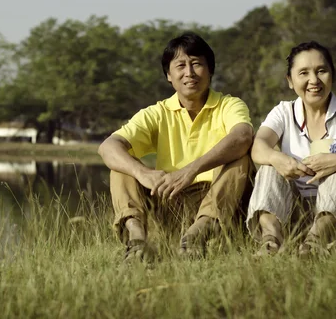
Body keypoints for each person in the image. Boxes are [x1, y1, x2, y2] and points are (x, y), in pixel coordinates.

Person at [98, 32, 255, 261]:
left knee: (241, 157)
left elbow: (243, 136)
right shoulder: (157, 113)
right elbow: (108, 146)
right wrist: (144, 174)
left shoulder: (229, 105)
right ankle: (137, 242)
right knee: (121, 164)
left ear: (210, 71)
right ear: (169, 76)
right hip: (171, 200)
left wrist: (190, 171)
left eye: (197, 64)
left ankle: (197, 235)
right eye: (180, 65)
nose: (189, 73)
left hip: (219, 203)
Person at [247, 41, 336, 257]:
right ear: (290, 81)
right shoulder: (283, 111)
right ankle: (271, 242)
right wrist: (276, 158)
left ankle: (316, 243)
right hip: (293, 215)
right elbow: (258, 146)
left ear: (332, 75)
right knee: (268, 167)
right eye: (304, 73)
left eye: (321, 71)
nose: (314, 80)